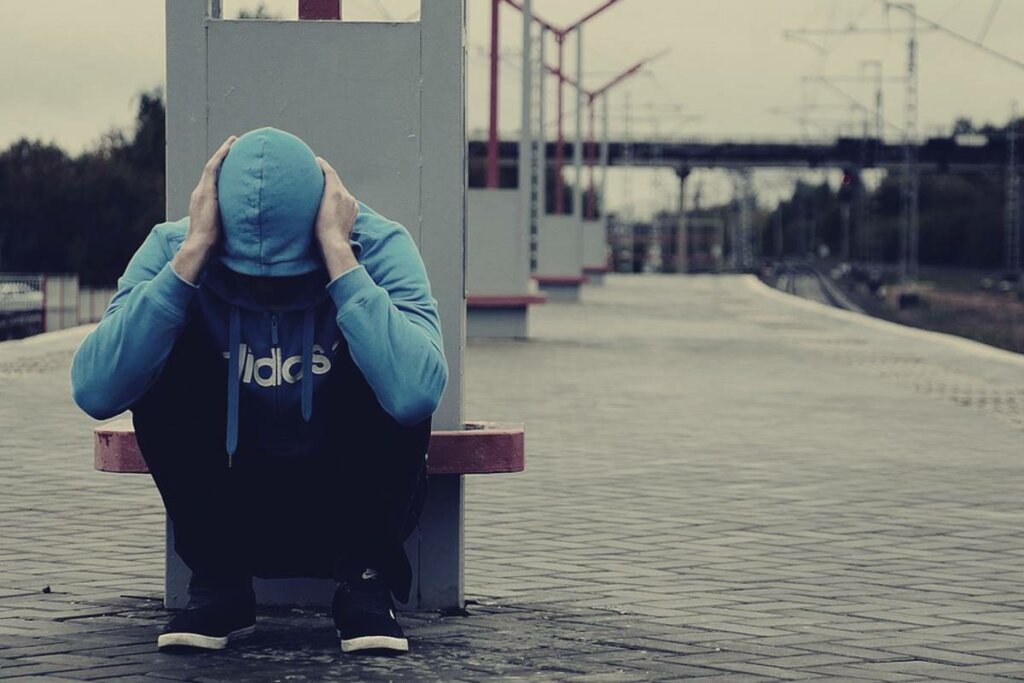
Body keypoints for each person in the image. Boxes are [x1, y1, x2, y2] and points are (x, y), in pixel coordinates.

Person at [70, 127, 447, 655]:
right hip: (230, 506)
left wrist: (340, 259)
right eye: (247, 278)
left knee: (391, 351)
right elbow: (94, 389)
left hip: (346, 506)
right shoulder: (173, 247)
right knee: (154, 348)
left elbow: (416, 395)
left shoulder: (378, 245)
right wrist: (192, 258)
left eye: (287, 279)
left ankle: (365, 583)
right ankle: (219, 584)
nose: (267, 293)